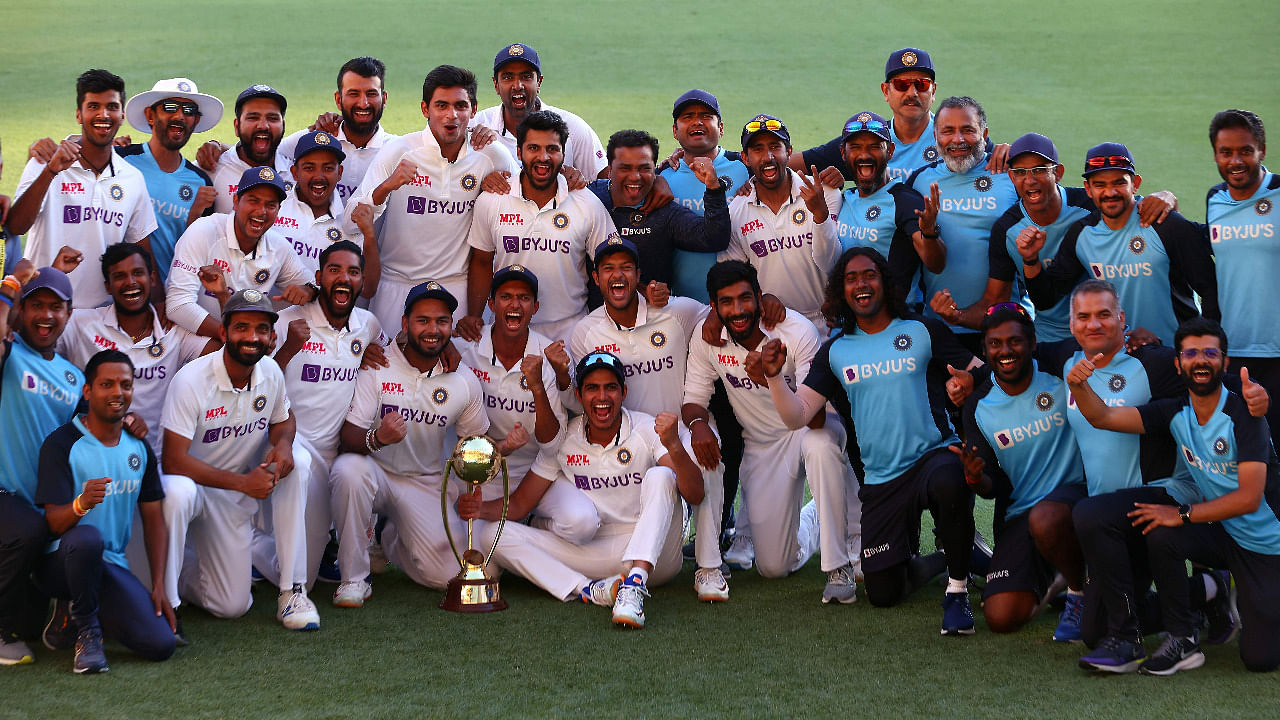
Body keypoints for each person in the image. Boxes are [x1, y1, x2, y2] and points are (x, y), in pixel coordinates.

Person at [765, 247, 983, 634]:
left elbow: (982, 375)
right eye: (851, 279)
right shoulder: (835, 351)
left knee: (950, 479)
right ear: (841, 291)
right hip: (881, 479)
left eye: (869, 275)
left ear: (884, 282)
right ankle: (949, 554)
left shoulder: (921, 330)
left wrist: (969, 388)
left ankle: (958, 591)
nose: (861, 284)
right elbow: (797, 415)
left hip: (932, 456)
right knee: (883, 593)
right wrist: (773, 377)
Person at [1070, 317, 1280, 674]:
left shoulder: (1245, 412)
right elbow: (1103, 416)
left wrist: (1181, 514)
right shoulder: (1175, 412)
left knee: (1260, 659)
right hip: (1223, 534)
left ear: (1224, 363)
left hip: (1267, 546)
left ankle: (1238, 597)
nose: (1201, 360)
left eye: (1211, 353)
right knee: (1161, 531)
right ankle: (1184, 638)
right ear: (1178, 362)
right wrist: (1079, 386)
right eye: (1191, 353)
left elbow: (1248, 498)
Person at [460, 351, 703, 629]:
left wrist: (674, 446)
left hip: (654, 555)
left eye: (610, 387)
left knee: (661, 475)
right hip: (596, 553)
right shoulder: (565, 438)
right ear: (579, 394)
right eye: (592, 388)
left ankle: (635, 583)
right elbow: (519, 505)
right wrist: (480, 509)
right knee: (493, 535)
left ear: (623, 392)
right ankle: (589, 589)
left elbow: (695, 494)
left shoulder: (645, 428)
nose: (602, 397)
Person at [330, 281, 527, 600]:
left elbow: (472, 449)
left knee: (449, 577)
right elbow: (349, 438)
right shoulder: (377, 364)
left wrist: (501, 449)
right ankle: (354, 578)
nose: (433, 329)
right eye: (423, 320)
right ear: (405, 323)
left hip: (423, 482)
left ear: (451, 325)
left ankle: (390, 535)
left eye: (442, 321)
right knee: (348, 470)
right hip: (374, 472)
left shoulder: (463, 380)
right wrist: (379, 438)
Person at [684, 260, 859, 602]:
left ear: (760, 297)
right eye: (726, 302)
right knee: (773, 568)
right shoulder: (708, 338)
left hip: (809, 428)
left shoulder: (796, 331)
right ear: (713, 307)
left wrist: (770, 377)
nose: (738, 310)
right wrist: (698, 424)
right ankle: (820, 519)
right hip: (762, 447)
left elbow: (815, 417)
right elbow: (693, 400)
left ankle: (839, 565)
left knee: (821, 445)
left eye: (745, 299)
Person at [571, 238, 728, 600]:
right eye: (608, 268)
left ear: (639, 275)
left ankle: (708, 568)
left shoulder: (676, 311)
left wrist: (723, 315)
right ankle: (636, 563)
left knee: (710, 454)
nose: (617, 275)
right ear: (596, 278)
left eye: (626, 267)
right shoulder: (586, 332)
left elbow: (719, 311)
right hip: (628, 440)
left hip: (677, 432)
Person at [158, 289, 320, 631]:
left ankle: (292, 591)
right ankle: (166, 605)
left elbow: (283, 418)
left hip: (231, 497)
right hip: (194, 486)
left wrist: (284, 445)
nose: (252, 337)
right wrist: (243, 483)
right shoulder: (191, 380)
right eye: (242, 327)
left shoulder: (270, 373)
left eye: (261, 329)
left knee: (230, 606)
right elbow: (173, 462)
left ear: (272, 336)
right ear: (223, 332)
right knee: (176, 491)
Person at [35, 349, 175, 673]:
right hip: (58, 561)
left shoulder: (138, 447)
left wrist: (159, 586)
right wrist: (80, 504)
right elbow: (53, 524)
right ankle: (87, 632)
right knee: (86, 539)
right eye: (107, 384)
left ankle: (81, 608)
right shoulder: (61, 444)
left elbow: (153, 520)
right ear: (88, 391)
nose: (117, 392)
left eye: (125, 385)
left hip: (109, 564)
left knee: (161, 644)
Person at [957, 303, 1087, 640]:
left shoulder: (1059, 373)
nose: (1005, 351)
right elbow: (992, 486)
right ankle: (1060, 574)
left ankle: (1080, 593)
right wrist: (975, 476)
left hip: (1078, 499)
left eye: (1014, 341)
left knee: (1046, 518)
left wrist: (1136, 340)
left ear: (1031, 342)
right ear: (984, 350)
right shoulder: (979, 405)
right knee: (1002, 618)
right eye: (995, 344)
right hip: (1021, 513)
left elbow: (1097, 346)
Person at [354, 65, 517, 331]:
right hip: (395, 288)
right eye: (441, 105)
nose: (451, 115)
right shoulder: (398, 152)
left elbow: (524, 204)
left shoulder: (491, 154)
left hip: (457, 292)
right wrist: (387, 186)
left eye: (460, 106)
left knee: (454, 373)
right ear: (424, 108)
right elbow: (354, 218)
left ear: (473, 110)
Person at [269, 240, 387, 601]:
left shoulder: (367, 324)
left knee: (304, 565)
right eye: (334, 270)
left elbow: (389, 355)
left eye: (353, 272)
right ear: (318, 277)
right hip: (293, 449)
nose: (343, 279)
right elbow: (259, 380)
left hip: (335, 454)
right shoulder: (289, 319)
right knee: (290, 572)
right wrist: (289, 348)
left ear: (362, 281)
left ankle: (351, 569)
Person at [1022, 142, 1218, 346]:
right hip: (1122, 360)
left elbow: (1211, 289)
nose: (1110, 192)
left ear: (1135, 184)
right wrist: (1030, 259)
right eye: (1100, 185)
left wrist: (1207, 345)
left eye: (1119, 183)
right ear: (1088, 189)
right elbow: (1047, 299)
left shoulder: (1164, 224)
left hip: (1176, 358)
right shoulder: (1081, 234)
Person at [7, 70, 158, 309]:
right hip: (43, 308)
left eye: (111, 106)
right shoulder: (44, 160)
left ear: (122, 115)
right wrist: (51, 171)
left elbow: (142, 254)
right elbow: (16, 226)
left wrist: (156, 309)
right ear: (79, 114)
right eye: (93, 106)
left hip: (101, 318)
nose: (103, 114)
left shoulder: (132, 178)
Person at [466, 110, 619, 344]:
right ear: (519, 152)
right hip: (508, 327)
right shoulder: (493, 199)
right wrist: (475, 316)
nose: (543, 157)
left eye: (552, 149)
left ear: (564, 153)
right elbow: (481, 261)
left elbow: (611, 264)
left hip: (571, 330)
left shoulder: (586, 202)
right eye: (533, 148)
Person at [0, 267, 82, 666]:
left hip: (39, 509)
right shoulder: (8, 352)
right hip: (5, 497)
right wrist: (9, 290)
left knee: (31, 624)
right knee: (27, 528)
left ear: (69, 313)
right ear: (21, 310)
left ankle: (53, 610)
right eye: (35, 306)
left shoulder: (74, 377)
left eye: (55, 307)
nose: (45, 315)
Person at [907, 97, 1019, 352]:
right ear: (935, 135)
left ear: (985, 134)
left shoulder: (1009, 175)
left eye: (968, 130)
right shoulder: (920, 182)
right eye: (948, 131)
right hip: (939, 330)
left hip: (1005, 328)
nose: (958, 139)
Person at [797, 48, 1007, 183]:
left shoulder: (956, 139)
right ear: (886, 91)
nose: (912, 93)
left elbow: (1009, 167)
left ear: (933, 91)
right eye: (901, 85)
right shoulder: (869, 140)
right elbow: (794, 163)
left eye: (922, 84)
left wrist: (1010, 153)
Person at [166, 166, 317, 338]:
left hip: (241, 341)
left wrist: (309, 290)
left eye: (270, 205)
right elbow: (178, 306)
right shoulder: (204, 230)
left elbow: (312, 285)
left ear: (278, 210)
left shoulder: (279, 246)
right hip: (190, 334)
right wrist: (231, 338)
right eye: (254, 201)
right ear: (236, 201)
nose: (261, 211)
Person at [720, 115, 840, 328]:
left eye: (775, 147)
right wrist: (760, 298)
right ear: (745, 158)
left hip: (827, 324)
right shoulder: (736, 211)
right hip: (773, 326)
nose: (768, 157)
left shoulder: (824, 192)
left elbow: (831, 263)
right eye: (757, 149)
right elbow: (733, 280)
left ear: (789, 151)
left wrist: (820, 215)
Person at [1205, 110, 1280, 450]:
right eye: (1226, 152)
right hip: (1234, 353)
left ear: (1261, 150)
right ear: (1216, 154)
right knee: (1247, 453)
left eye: (1245, 151)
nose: (1236, 161)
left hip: (1277, 350)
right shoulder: (1214, 200)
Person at [111, 78, 222, 286]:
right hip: (117, 296)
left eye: (188, 110)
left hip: (170, 302)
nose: (180, 116)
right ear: (150, 115)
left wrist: (195, 213)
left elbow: (196, 253)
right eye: (170, 107)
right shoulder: (120, 160)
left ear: (196, 121)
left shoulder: (201, 182)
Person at [586, 129, 730, 288]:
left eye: (644, 168)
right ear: (610, 169)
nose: (635, 176)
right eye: (625, 168)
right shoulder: (589, 198)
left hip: (654, 311)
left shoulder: (664, 210)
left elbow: (714, 239)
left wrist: (713, 188)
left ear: (654, 169)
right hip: (594, 312)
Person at [832, 110, 942, 309]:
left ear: (890, 151)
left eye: (875, 147)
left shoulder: (905, 202)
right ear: (843, 153)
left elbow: (935, 263)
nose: (864, 155)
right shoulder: (843, 198)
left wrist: (930, 233)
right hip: (850, 322)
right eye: (855, 147)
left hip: (896, 322)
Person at [661, 89, 751, 300]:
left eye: (705, 116)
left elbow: (781, 169)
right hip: (679, 305)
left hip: (737, 304)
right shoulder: (662, 177)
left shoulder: (745, 167)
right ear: (675, 131)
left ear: (720, 128)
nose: (697, 122)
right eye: (688, 117)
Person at [472, 43, 606, 178]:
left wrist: (578, 185)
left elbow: (605, 182)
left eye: (526, 77)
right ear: (496, 85)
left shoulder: (573, 128)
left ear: (539, 83)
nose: (517, 86)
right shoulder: (476, 126)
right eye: (508, 77)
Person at [277, 57, 397, 204]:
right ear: (338, 99)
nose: (363, 103)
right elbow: (271, 155)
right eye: (354, 94)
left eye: (371, 94)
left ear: (384, 99)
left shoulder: (397, 150)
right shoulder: (314, 138)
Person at [275, 130, 379, 279]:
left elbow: (367, 290)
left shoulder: (350, 222)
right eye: (309, 168)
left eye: (328, 168)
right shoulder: (275, 208)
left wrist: (369, 235)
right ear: (294, 172)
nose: (319, 177)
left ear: (339, 173)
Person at [207, 85, 290, 214]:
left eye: (272, 118)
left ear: (283, 125)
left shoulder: (297, 173)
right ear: (236, 126)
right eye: (253, 117)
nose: (263, 125)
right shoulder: (210, 172)